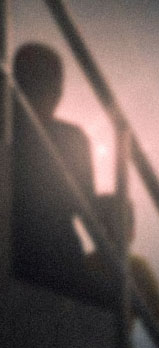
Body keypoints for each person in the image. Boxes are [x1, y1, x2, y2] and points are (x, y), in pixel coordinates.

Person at [10, 43, 96, 299]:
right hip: (58, 264)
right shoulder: (71, 138)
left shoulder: (8, 135)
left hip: (15, 258)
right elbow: (86, 208)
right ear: (56, 89)